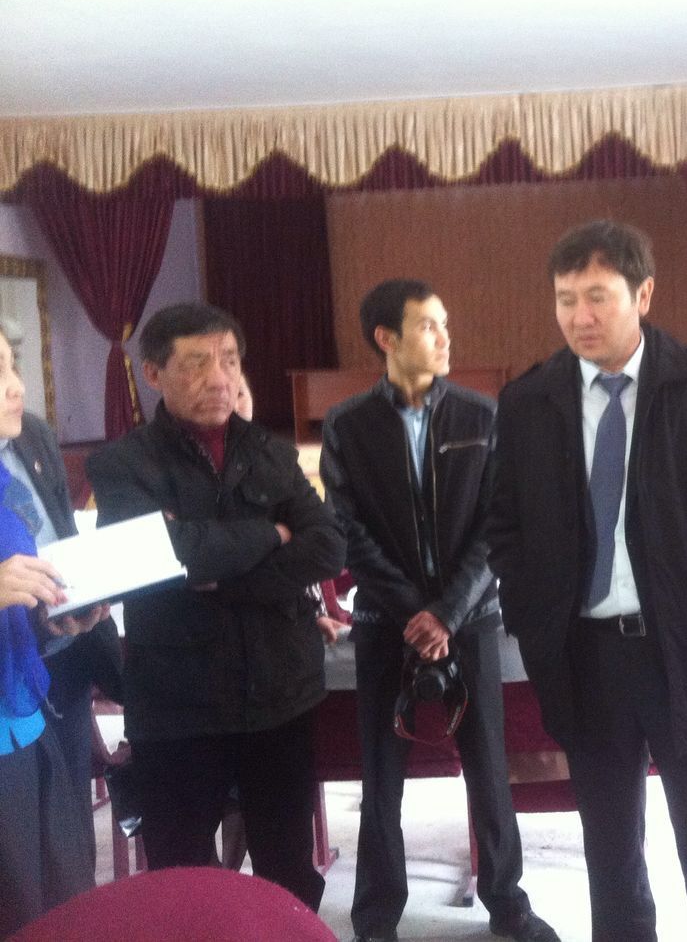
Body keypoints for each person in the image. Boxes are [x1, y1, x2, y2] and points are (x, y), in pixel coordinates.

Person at [487, 220, 687, 942]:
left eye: (598, 296)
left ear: (643, 294)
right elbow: (504, 523)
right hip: (585, 659)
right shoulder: (530, 402)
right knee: (611, 855)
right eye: (565, 299)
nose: (579, 316)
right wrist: (532, 617)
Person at [321, 279, 559, 942]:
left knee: (488, 768)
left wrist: (447, 614)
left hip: (471, 617)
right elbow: (348, 530)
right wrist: (413, 613)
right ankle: (376, 915)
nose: (445, 337)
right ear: (386, 338)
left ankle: (507, 902)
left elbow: (497, 523)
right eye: (429, 325)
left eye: (445, 323)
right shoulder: (348, 425)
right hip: (385, 623)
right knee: (381, 778)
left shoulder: (482, 417)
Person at [85, 303, 345, 910]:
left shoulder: (271, 451)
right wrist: (272, 534)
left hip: (279, 695)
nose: (220, 378)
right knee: (182, 877)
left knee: (288, 868)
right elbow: (165, 554)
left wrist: (218, 578)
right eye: (197, 364)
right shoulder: (123, 465)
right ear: (153, 373)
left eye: (229, 361)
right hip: (177, 705)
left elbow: (328, 546)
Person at [0, 326, 111, 936]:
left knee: (63, 898)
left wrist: (52, 620)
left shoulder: (6, 482)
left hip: (28, 719)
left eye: (12, 366)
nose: (16, 387)